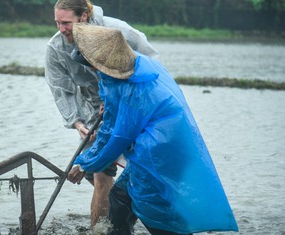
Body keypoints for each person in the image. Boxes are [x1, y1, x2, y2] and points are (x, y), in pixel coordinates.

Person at [67, 23, 239, 235]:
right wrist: (111, 104)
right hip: (175, 144)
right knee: (124, 199)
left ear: (100, 64)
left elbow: (115, 135)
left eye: (91, 65)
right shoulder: (141, 65)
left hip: (157, 154)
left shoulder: (126, 87)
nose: (91, 69)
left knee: (151, 210)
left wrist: (84, 164)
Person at [45, 0, 159, 228]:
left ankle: (121, 220)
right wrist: (78, 124)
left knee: (125, 177)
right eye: (57, 22)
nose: (61, 29)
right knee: (100, 177)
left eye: (66, 23)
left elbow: (152, 66)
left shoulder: (119, 33)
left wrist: (123, 96)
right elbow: (62, 91)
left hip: (129, 109)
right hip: (91, 114)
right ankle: (101, 228)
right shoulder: (56, 48)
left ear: (84, 17)